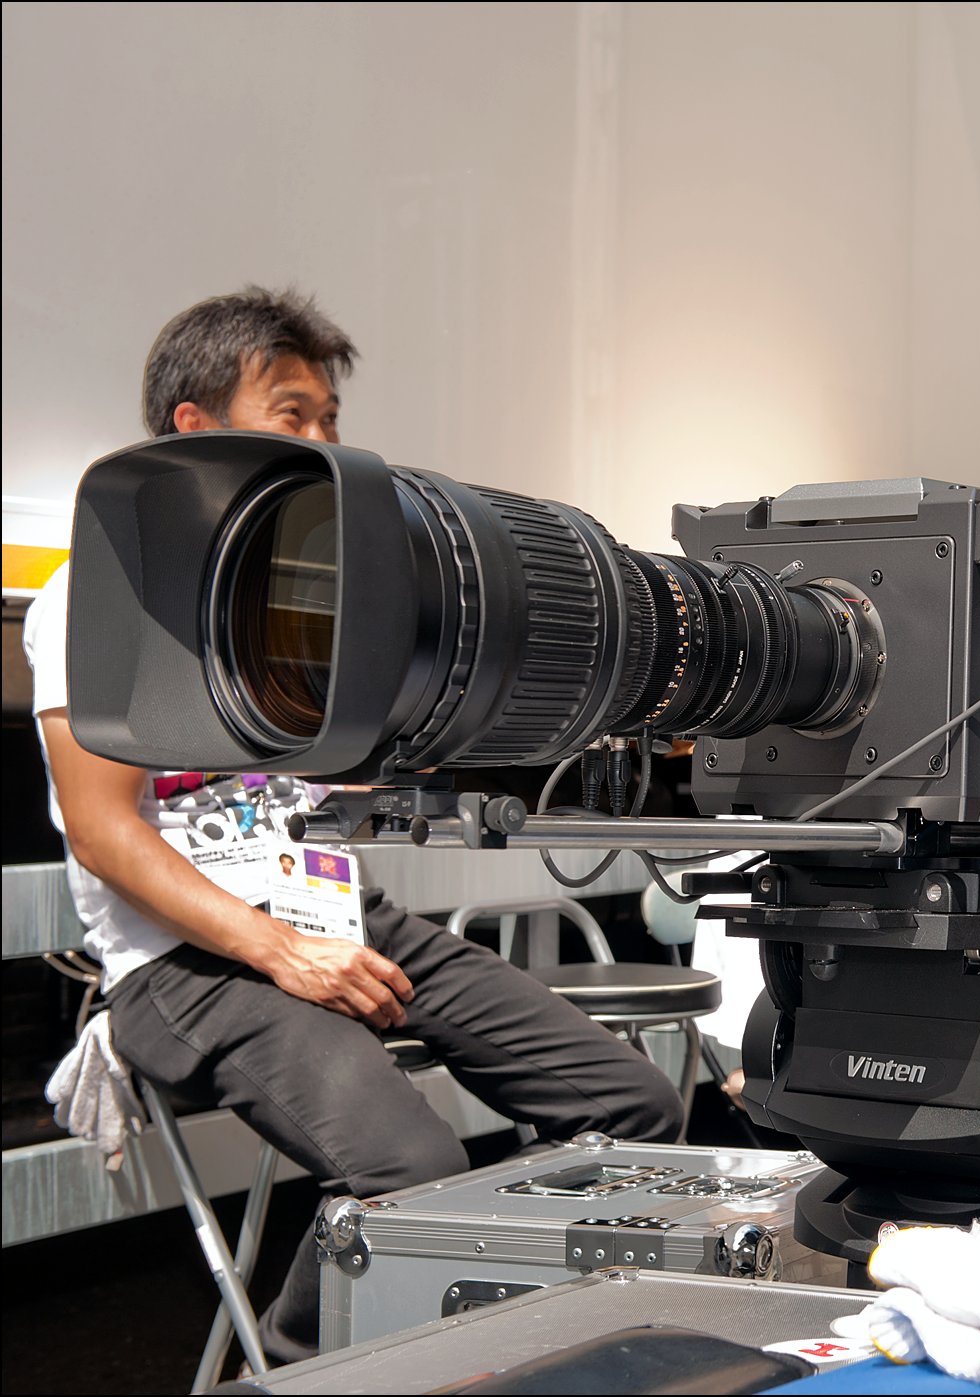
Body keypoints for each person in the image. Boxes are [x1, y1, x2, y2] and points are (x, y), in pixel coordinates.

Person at [28, 287, 684, 1367]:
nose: (328, 441)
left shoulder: (290, 603)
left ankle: (519, 1336)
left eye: (331, 418)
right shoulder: (93, 600)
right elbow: (104, 834)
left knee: (630, 1107)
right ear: (197, 428)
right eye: (294, 416)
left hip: (338, 919)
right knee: (413, 1168)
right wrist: (284, 951)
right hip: (186, 963)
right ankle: (291, 1372)